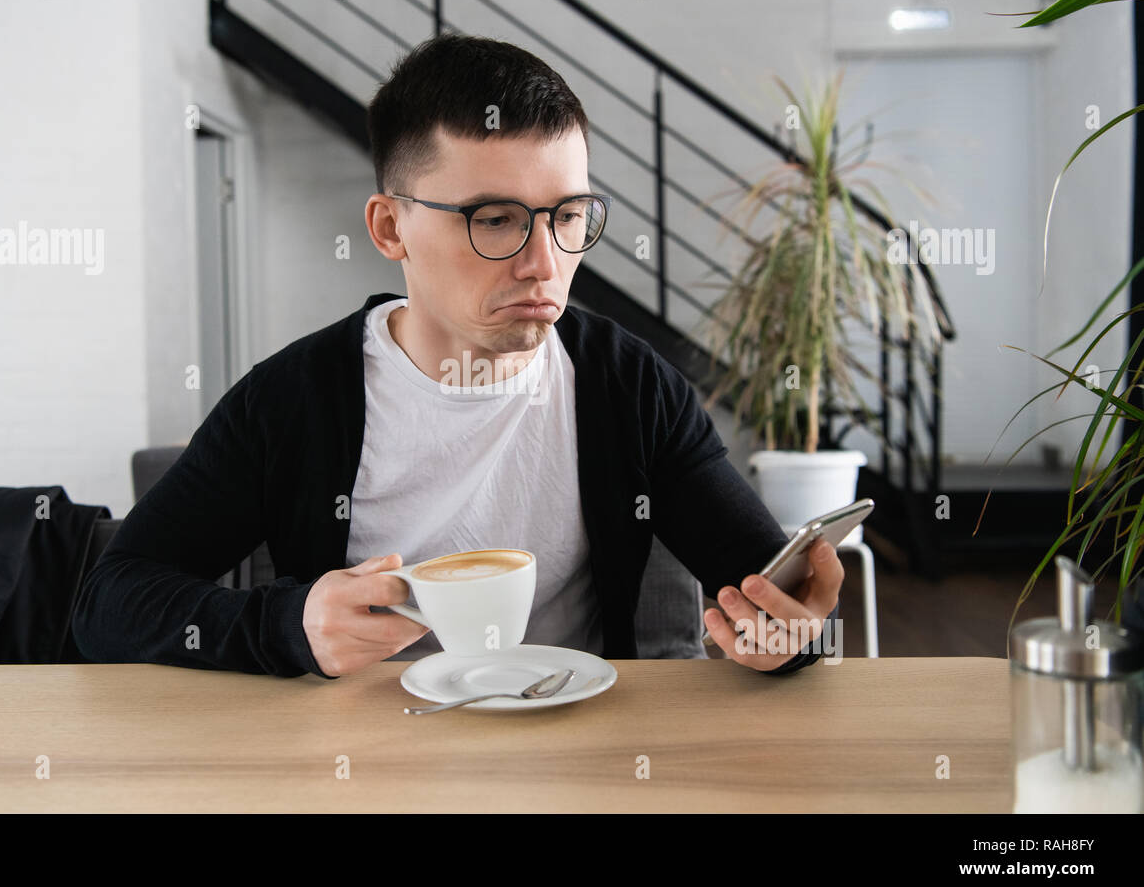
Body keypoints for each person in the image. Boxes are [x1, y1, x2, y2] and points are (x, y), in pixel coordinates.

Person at [72, 34, 843, 679]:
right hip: (363, 767)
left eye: (568, 215)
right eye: (496, 220)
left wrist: (788, 631)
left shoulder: (628, 387)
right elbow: (109, 602)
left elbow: (766, 590)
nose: (545, 262)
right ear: (389, 228)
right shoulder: (295, 400)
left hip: (571, 757)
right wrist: (288, 625)